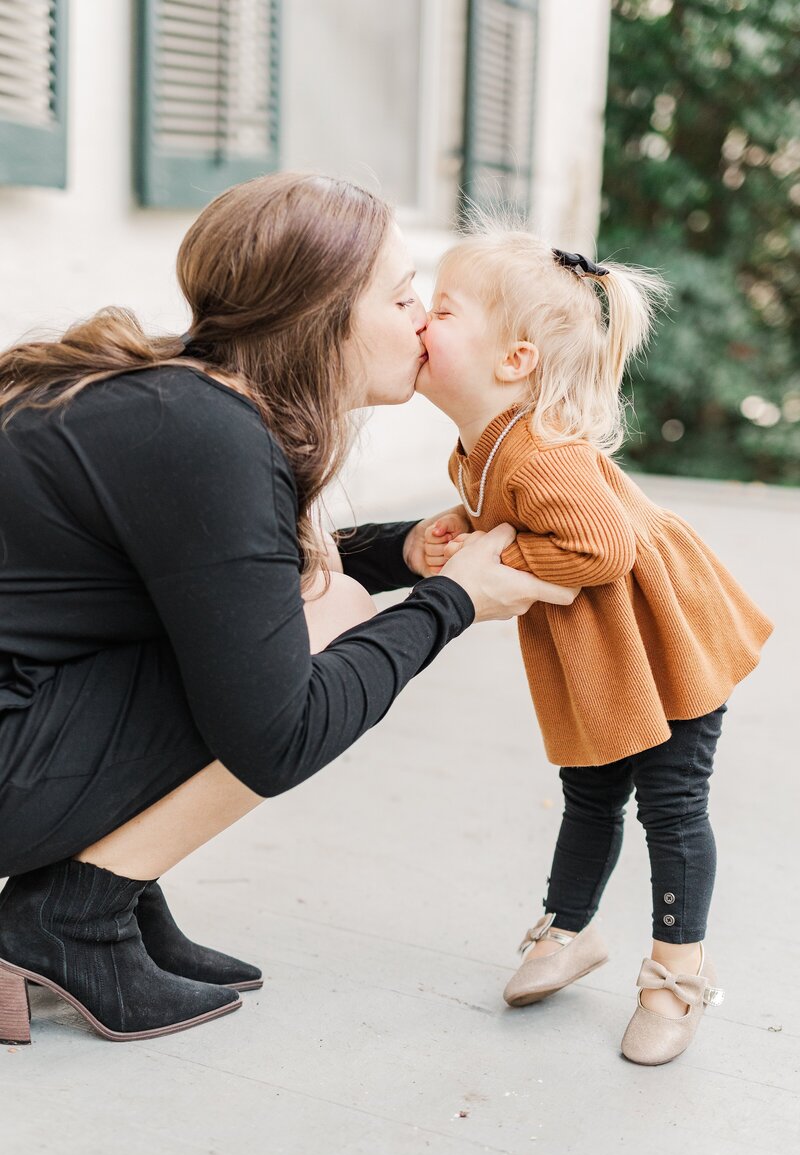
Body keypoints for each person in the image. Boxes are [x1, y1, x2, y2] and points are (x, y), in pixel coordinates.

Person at [0, 174, 578, 1046]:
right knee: (326, 614)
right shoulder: (206, 435)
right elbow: (279, 736)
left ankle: (114, 894)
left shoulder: (185, 395)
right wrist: (451, 602)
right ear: (324, 317)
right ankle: (72, 916)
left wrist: (398, 551)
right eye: (401, 296)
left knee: (316, 595)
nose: (423, 320)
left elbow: (217, 585)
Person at [416, 224, 773, 1066]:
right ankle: (567, 934)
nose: (418, 322)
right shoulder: (483, 445)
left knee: (672, 805)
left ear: (515, 360)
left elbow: (602, 549)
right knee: (590, 794)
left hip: (667, 642)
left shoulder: (540, 453)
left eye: (439, 308)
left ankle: (676, 974)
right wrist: (460, 533)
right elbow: (519, 525)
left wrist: (491, 557)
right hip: (608, 656)